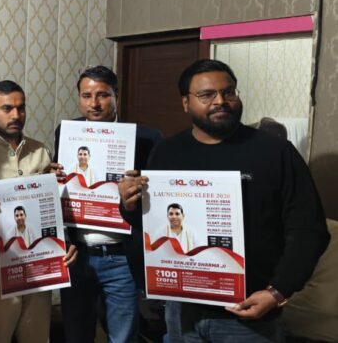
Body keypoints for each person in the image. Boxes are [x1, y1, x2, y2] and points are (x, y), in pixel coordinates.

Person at [119, 59, 330, 342]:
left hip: (248, 315)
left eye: (228, 92)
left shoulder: (275, 151)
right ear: (186, 103)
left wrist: (277, 291)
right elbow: (149, 222)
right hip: (181, 309)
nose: (220, 101)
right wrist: (129, 204)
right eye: (207, 95)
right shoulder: (166, 152)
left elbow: (308, 230)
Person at [53, 65, 162, 343]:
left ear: (116, 95)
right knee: (76, 335)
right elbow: (60, 190)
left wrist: (141, 188)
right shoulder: (66, 132)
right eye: (86, 95)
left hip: (121, 257)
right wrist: (53, 177)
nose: (94, 103)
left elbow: (158, 202)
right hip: (77, 255)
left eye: (102, 95)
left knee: (123, 337)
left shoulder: (146, 138)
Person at [0, 80, 77, 343]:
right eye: (7, 108)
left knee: (37, 338)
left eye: (21, 108)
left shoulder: (41, 152)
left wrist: (64, 241)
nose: (16, 115)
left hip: (38, 268)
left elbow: (52, 208)